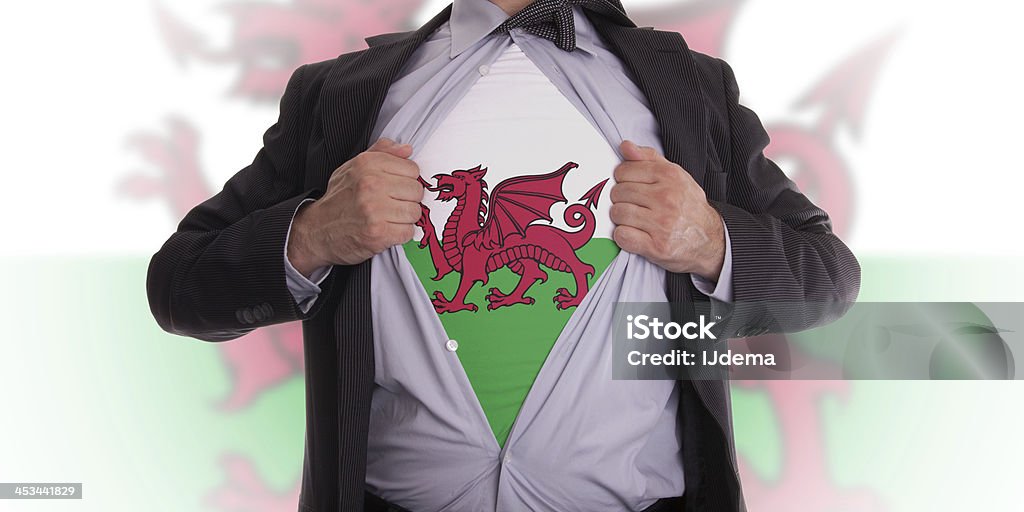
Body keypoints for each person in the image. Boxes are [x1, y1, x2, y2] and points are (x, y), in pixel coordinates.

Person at [146, 0, 861, 510]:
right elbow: (178, 286)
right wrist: (311, 235)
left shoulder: (693, 88)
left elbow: (828, 276)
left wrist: (714, 240)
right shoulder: (337, 96)